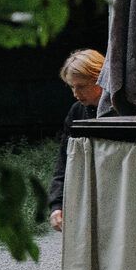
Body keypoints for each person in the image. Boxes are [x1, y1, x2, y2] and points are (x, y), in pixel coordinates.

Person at [50, 48, 104, 232]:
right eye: (72, 87)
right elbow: (65, 160)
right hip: (85, 195)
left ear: (98, 79)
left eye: (81, 86)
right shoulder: (77, 112)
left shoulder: (123, 110)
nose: (75, 93)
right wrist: (56, 205)